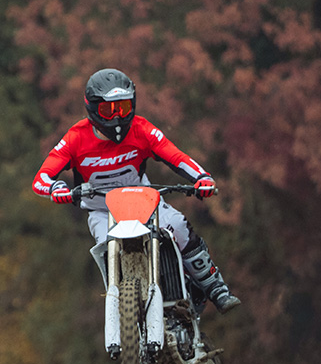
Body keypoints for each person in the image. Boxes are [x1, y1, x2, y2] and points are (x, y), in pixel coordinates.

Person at [32, 68, 240, 313]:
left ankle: (215, 287)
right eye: (109, 110)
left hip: (145, 203)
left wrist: (202, 178)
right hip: (103, 212)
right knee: (107, 247)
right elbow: (40, 179)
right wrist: (56, 188)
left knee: (178, 226)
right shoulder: (75, 138)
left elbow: (176, 157)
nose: (117, 117)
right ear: (92, 108)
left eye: (123, 108)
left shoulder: (142, 129)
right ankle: (123, 308)